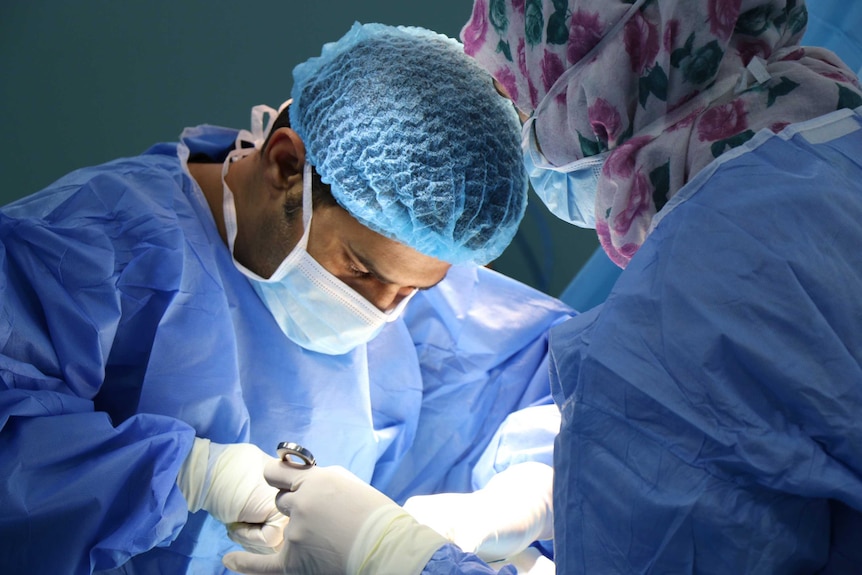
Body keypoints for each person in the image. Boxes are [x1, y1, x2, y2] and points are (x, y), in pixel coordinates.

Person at [228, 1, 862, 573]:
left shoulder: (692, 299)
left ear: (592, 102)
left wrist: (395, 556)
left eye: (525, 112)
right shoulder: (837, 160)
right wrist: (549, 484)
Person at [0, 22, 576, 574]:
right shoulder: (85, 248)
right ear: (285, 165)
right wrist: (192, 475)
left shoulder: (414, 269)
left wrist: (520, 496)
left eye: (414, 290)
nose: (383, 309)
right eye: (358, 271)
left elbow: (576, 394)